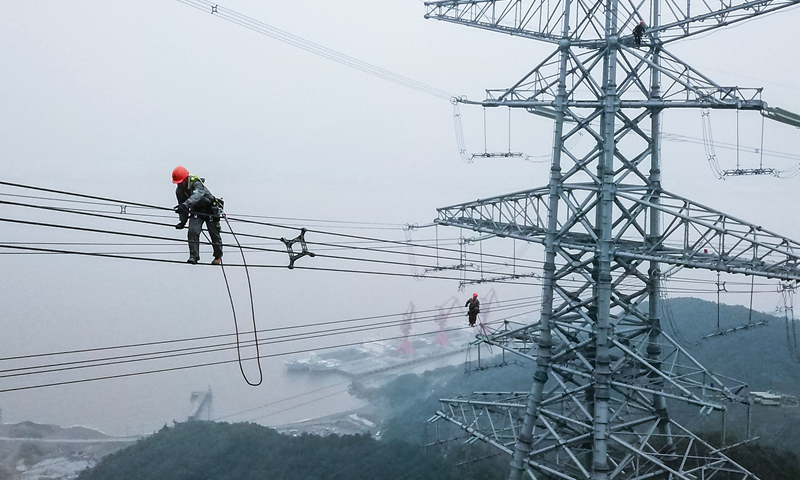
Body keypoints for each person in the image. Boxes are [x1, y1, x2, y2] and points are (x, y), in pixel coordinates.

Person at [172, 166, 223, 265]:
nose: (179, 184)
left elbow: (197, 196)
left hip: (210, 209)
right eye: (178, 183)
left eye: (180, 182)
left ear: (186, 179)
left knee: (214, 234)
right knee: (192, 231)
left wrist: (185, 205)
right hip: (197, 210)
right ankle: (194, 256)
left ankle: (218, 256)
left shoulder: (196, 183)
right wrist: (182, 221)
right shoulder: (179, 191)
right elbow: (183, 208)